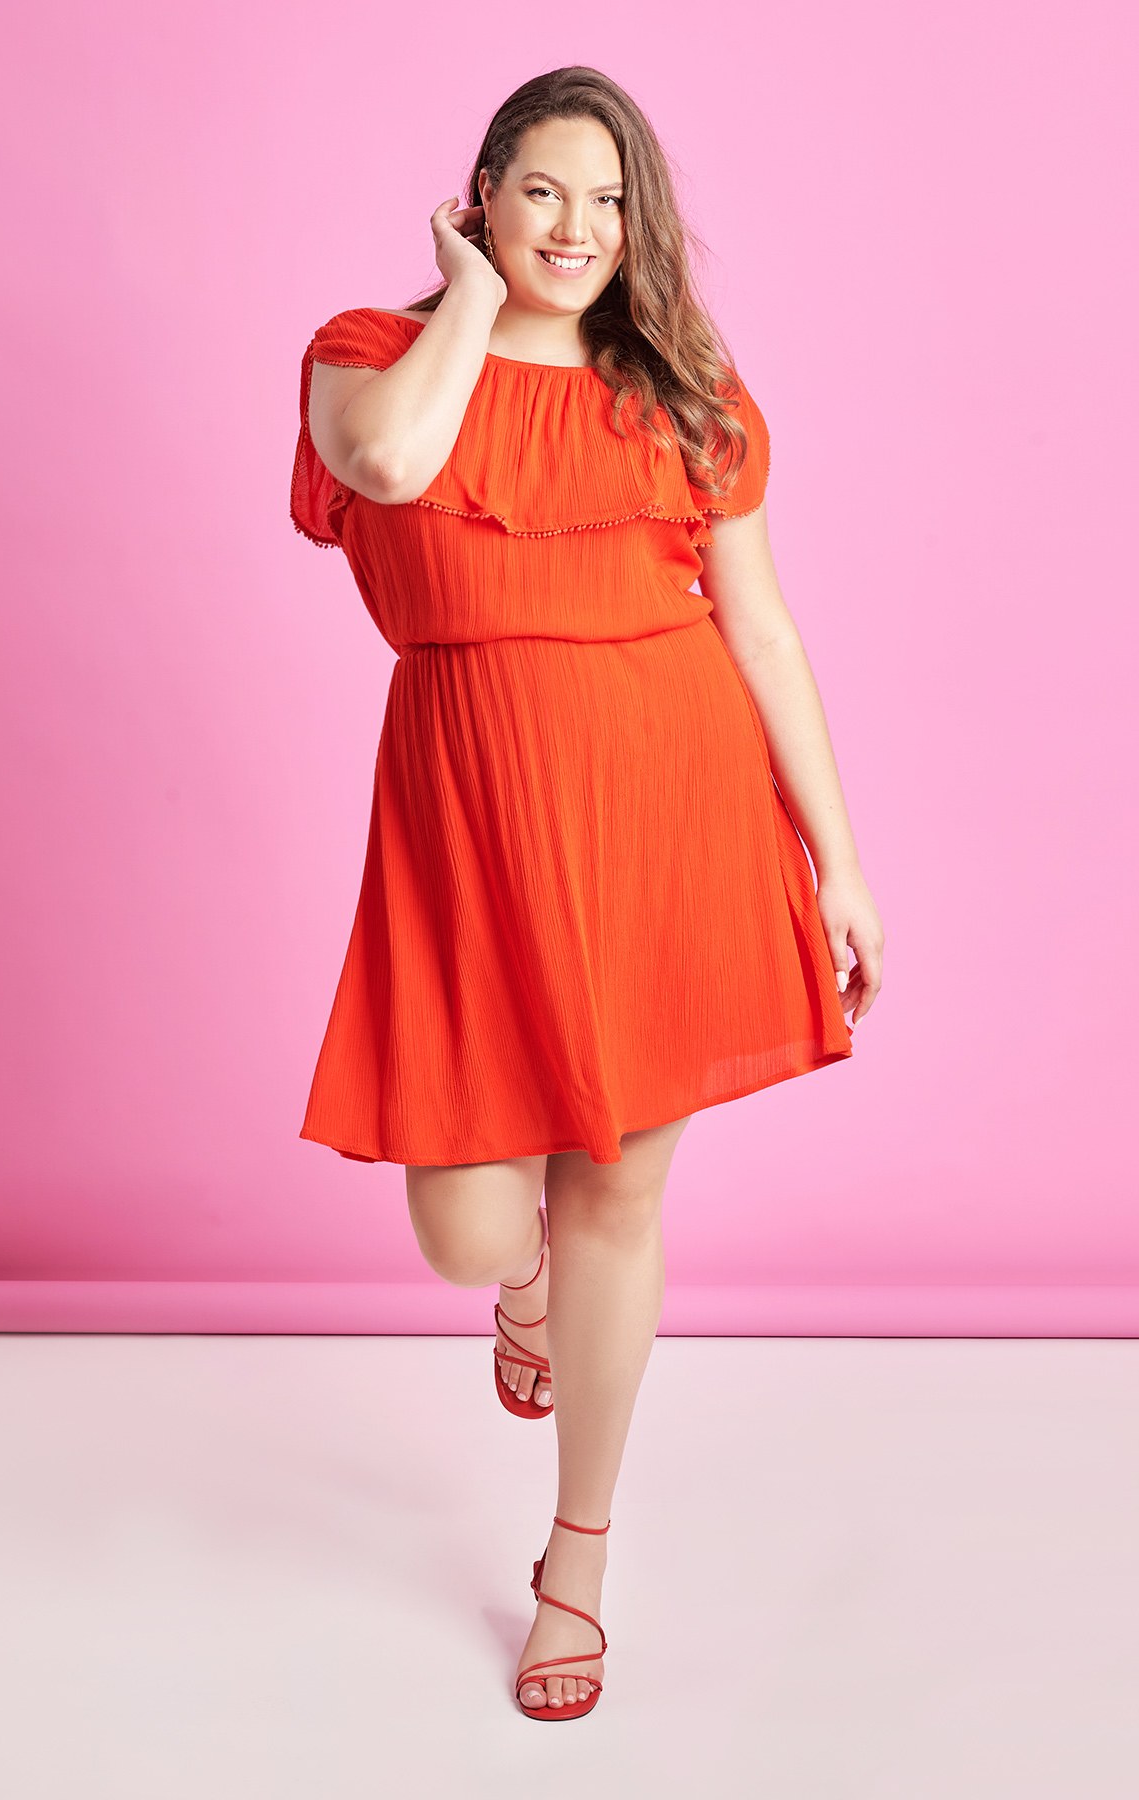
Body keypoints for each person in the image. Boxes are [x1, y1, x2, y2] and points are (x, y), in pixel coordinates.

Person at [290, 66, 884, 1721]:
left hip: (670, 812)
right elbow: (390, 466)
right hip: (471, 823)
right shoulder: (368, 352)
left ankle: (578, 1561)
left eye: (612, 202)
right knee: (472, 1228)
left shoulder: (682, 389)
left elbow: (761, 628)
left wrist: (839, 858)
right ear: (480, 192)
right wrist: (474, 303)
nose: (579, 229)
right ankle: (524, 1288)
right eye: (545, 190)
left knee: (620, 1189)